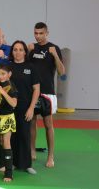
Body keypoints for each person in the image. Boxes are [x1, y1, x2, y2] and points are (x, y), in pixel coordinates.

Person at [28, 22, 65, 168]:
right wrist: (28, 51)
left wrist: (55, 54)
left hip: (48, 92)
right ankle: (32, 150)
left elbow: (62, 72)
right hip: (32, 91)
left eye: (41, 33)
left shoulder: (54, 48)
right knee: (31, 122)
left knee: (49, 124)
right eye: (36, 33)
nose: (38, 36)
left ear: (47, 33)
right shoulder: (31, 48)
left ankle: (51, 156)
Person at [9, 40, 40, 174]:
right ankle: (14, 163)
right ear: (12, 52)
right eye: (15, 49)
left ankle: (27, 164)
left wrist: (31, 108)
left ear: (25, 52)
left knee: (24, 135)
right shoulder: (8, 67)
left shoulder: (31, 67)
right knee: (12, 136)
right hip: (10, 107)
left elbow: (36, 89)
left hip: (25, 107)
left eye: (21, 49)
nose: (18, 52)